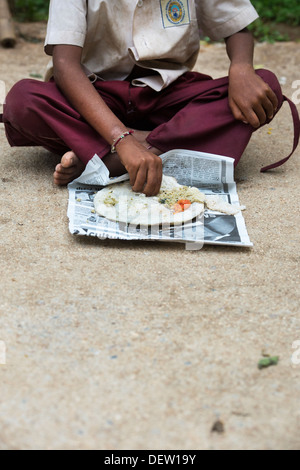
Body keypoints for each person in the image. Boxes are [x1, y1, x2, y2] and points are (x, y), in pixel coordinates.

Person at [1, 0, 299, 196]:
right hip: (95, 96)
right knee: (22, 100)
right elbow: (65, 66)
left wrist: (242, 67)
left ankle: (109, 162)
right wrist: (123, 139)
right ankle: (156, 148)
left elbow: (237, 27)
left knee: (266, 85)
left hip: (168, 96)